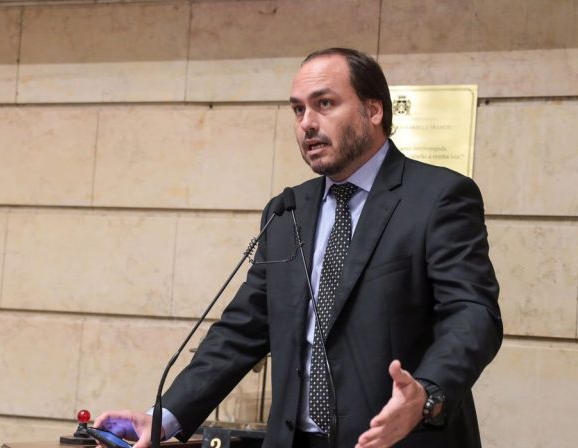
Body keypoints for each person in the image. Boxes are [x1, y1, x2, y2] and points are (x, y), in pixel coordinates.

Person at [94, 48, 502, 448]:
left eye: (324, 104)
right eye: (298, 109)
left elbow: (473, 313)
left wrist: (427, 395)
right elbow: (241, 331)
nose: (307, 123)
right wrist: (164, 417)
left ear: (373, 111)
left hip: (397, 439)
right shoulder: (287, 210)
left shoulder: (437, 197)